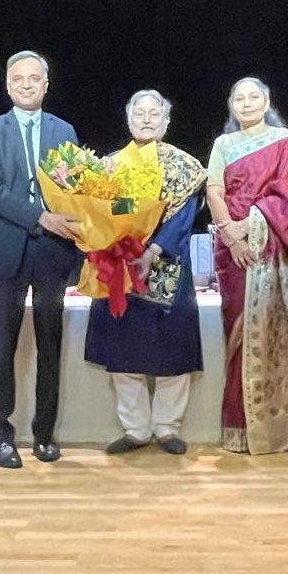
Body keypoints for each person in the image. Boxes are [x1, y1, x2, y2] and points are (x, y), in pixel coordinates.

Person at [0, 50, 81, 468]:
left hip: (53, 253)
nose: (26, 85)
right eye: (18, 79)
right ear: (7, 84)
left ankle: (44, 434)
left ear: (46, 84)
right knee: (1, 346)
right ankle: (1, 436)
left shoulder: (63, 129)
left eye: (34, 79)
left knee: (50, 346)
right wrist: (41, 217)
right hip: (6, 251)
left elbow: (76, 186)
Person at [207, 77, 288, 454]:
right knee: (239, 338)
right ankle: (238, 428)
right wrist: (231, 235)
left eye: (253, 96)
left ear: (267, 101)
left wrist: (252, 225)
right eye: (238, 97)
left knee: (275, 333)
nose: (246, 103)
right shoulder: (223, 144)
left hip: (271, 246)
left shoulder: (284, 141)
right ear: (230, 104)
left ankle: (276, 429)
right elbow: (214, 190)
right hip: (234, 252)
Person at [84, 90, 206, 455]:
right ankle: (135, 429)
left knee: (172, 352)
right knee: (124, 355)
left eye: (156, 114)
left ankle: (167, 427)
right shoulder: (109, 167)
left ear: (167, 122)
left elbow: (184, 217)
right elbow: (107, 213)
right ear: (128, 119)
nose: (148, 119)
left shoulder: (184, 167)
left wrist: (153, 250)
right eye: (141, 113)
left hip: (169, 264)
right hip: (119, 267)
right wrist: (121, 241)